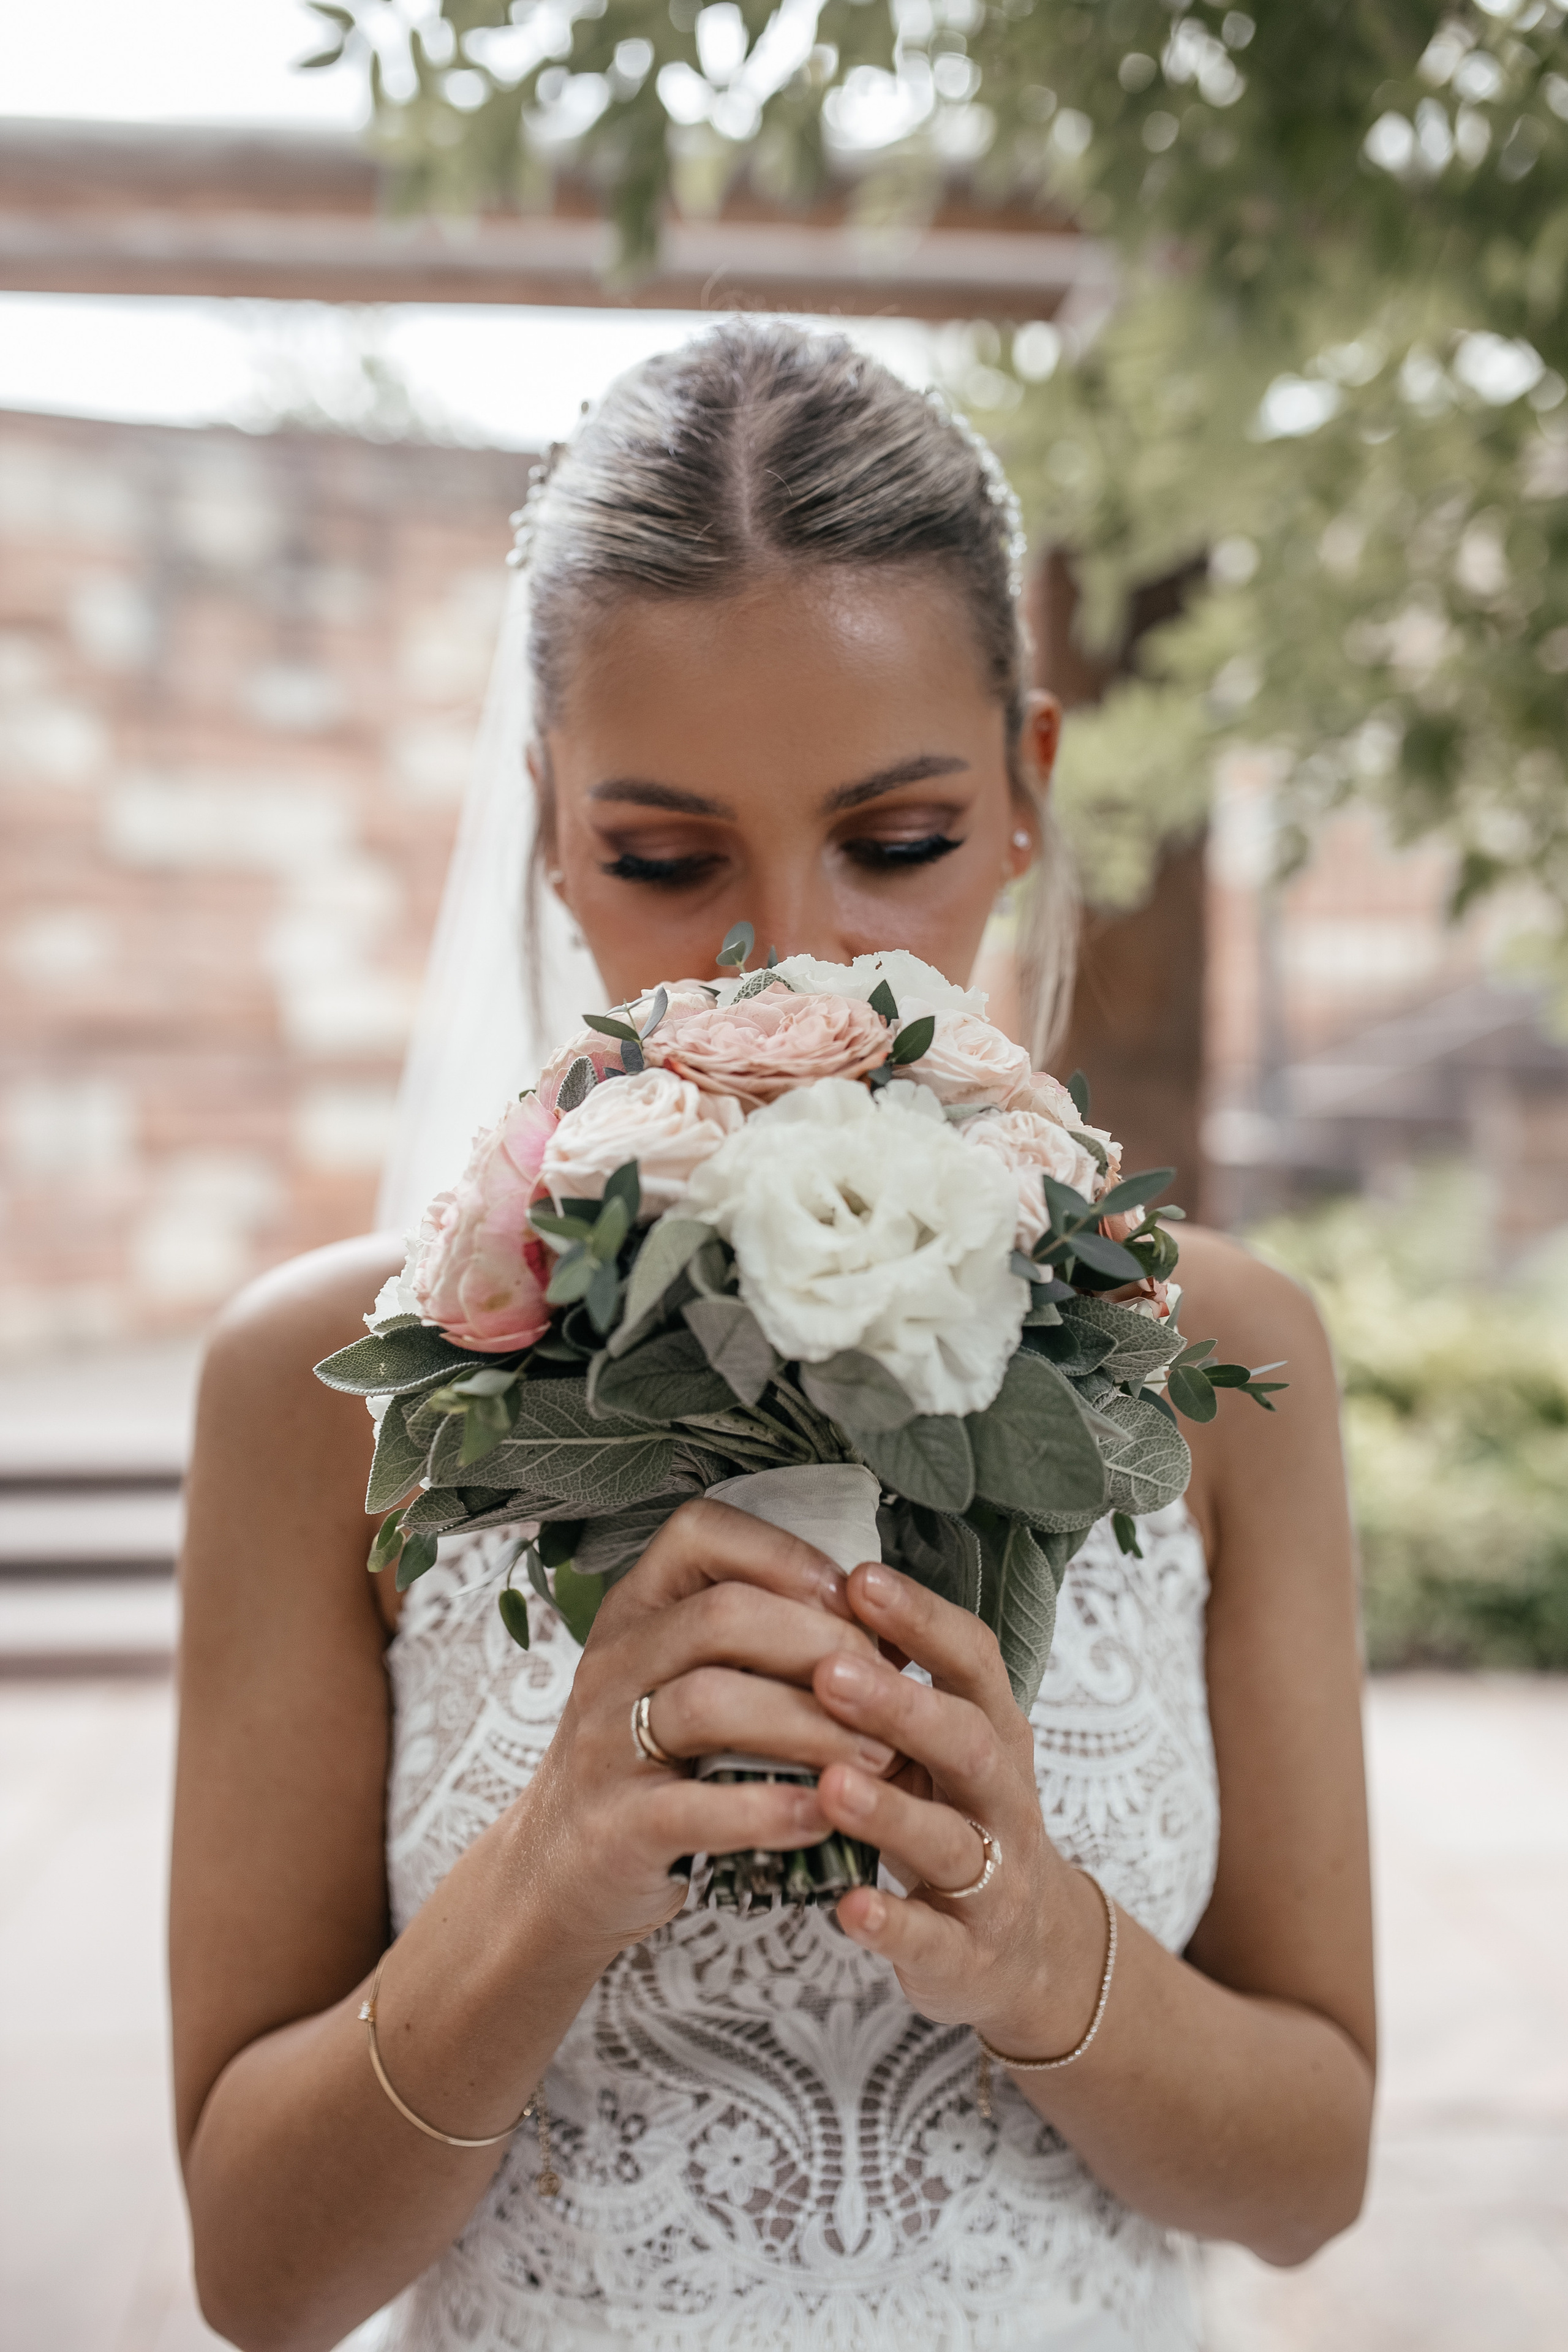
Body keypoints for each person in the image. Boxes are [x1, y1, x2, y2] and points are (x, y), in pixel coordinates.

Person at [170, 322, 1373, 2352]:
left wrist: (1046, 1957)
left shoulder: (1227, 1361)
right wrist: (544, 1883)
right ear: (552, 827)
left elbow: (1314, 2179)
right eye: (664, 859)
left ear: (1022, 800)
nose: (794, 956)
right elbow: (258, 2278)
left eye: (894, 844)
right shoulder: (318, 1390)